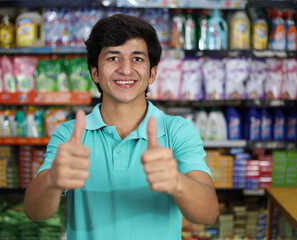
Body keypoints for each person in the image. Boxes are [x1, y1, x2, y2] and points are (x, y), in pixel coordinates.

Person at [23, 13, 219, 240]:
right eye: (113, 58)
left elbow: (207, 213)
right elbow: (34, 212)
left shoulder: (177, 130)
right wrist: (52, 180)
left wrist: (176, 181)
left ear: (152, 73)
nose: (126, 69)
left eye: (137, 59)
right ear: (95, 72)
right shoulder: (70, 134)